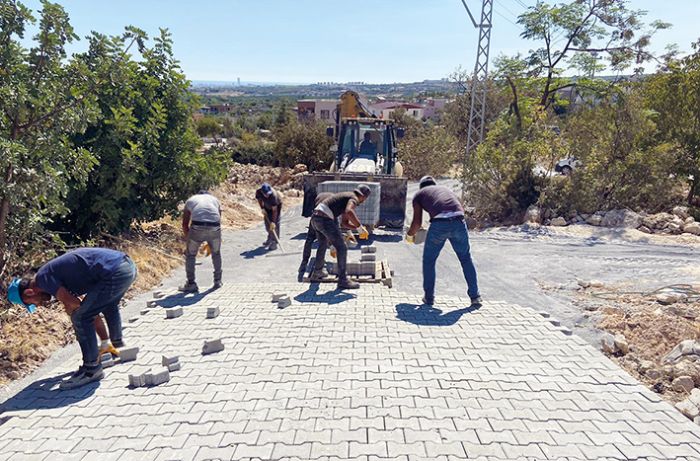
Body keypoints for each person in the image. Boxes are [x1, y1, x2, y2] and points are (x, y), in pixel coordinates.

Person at [6, 248, 137, 389]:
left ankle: (91, 370)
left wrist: (72, 310)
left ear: (29, 292)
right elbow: (86, 307)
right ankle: (117, 345)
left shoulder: (43, 280)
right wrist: (103, 341)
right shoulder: (50, 277)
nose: (38, 305)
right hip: (126, 266)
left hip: (115, 272)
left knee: (80, 317)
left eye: (33, 303)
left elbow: (77, 306)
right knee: (104, 305)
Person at [407, 176, 481, 306]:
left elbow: (417, 223)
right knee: (465, 258)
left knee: (429, 260)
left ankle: (429, 298)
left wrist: (409, 235)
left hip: (439, 224)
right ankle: (475, 296)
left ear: (421, 187)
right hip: (459, 222)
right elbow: (457, 208)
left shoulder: (419, 194)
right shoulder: (446, 190)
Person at [310, 185, 371, 290]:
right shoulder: (353, 198)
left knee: (323, 244)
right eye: (365, 199)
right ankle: (343, 280)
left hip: (316, 218)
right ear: (363, 196)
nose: (363, 201)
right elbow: (349, 211)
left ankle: (317, 272)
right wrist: (359, 227)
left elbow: (344, 223)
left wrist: (358, 229)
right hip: (324, 219)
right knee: (342, 248)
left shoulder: (345, 198)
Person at [181, 190, 222, 293]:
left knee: (190, 255)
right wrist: (211, 240)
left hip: (197, 227)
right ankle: (218, 281)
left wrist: (189, 240)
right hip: (214, 228)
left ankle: (191, 284)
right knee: (216, 253)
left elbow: (185, 224)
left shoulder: (191, 200)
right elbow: (217, 219)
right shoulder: (215, 200)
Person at [298, 191, 332, 278]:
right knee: (323, 243)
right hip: (321, 220)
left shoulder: (320, 196)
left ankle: (304, 263)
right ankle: (318, 270)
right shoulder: (334, 202)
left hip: (314, 217)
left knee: (309, 239)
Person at [255, 183, 283, 250]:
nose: (268, 195)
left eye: (268, 193)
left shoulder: (273, 196)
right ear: (262, 192)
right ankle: (270, 238)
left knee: (274, 224)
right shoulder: (259, 192)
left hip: (276, 207)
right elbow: (259, 199)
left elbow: (274, 211)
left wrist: (273, 222)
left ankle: (275, 241)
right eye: (266, 194)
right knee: (267, 224)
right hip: (267, 206)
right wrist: (262, 208)